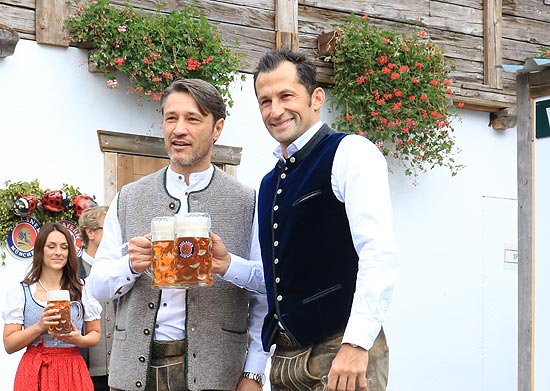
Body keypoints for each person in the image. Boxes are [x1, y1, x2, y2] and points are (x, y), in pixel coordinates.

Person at [213, 48, 399, 391]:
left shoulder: (351, 153)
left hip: (339, 352)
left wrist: (356, 343)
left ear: (316, 98)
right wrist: (227, 265)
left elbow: (379, 254)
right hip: (285, 360)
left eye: (286, 96)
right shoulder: (269, 183)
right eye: (265, 101)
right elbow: (282, 284)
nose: (275, 110)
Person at [88, 78, 269, 391]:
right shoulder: (129, 197)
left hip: (217, 376)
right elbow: (98, 286)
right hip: (134, 376)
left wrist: (253, 373)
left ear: (217, 128)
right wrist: (130, 265)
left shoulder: (248, 202)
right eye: (171, 118)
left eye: (193, 119)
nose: (179, 129)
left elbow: (265, 291)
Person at [2, 222, 102, 391]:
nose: (58, 252)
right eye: (51, 246)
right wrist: (39, 326)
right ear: (40, 250)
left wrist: (79, 340)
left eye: (64, 247)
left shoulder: (82, 288)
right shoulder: (21, 291)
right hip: (35, 370)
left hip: (72, 368)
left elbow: (95, 333)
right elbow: (9, 345)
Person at [78, 206, 115, 391]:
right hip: (85, 371)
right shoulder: (72, 271)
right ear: (90, 232)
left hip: (120, 371)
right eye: (108, 226)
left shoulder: (121, 269)